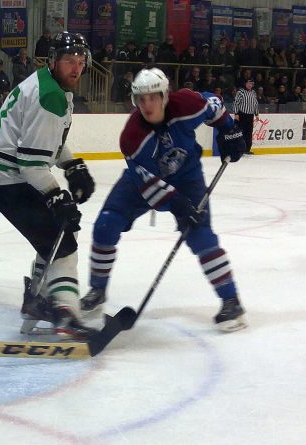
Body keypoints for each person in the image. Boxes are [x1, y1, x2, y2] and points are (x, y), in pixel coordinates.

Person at [80, 67, 248, 333]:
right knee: (105, 224)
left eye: (153, 97)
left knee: (201, 235)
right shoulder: (132, 137)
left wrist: (229, 130)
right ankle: (97, 291)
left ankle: (231, 301)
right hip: (143, 182)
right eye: (141, 99)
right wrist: (177, 203)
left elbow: (213, 104)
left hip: (188, 178)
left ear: (165, 95)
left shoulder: (186, 105)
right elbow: (146, 183)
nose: (147, 105)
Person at [0, 31, 97, 339]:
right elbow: (31, 164)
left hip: (2, 173)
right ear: (54, 61)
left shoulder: (49, 83)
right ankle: (65, 311)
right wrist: (56, 196)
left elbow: (44, 145)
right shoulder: (50, 95)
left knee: (52, 236)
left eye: (81, 62)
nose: (76, 68)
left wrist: (71, 163)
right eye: (70, 61)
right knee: (63, 242)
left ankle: (37, 301)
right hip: (6, 179)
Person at [233, 78, 259, 155]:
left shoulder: (253, 92)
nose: (250, 85)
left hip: (250, 116)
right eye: (249, 83)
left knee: (249, 133)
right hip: (242, 115)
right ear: (246, 84)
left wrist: (256, 114)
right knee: (241, 132)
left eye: (252, 84)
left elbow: (255, 104)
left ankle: (247, 149)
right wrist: (236, 113)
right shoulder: (241, 92)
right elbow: (236, 103)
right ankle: (240, 149)